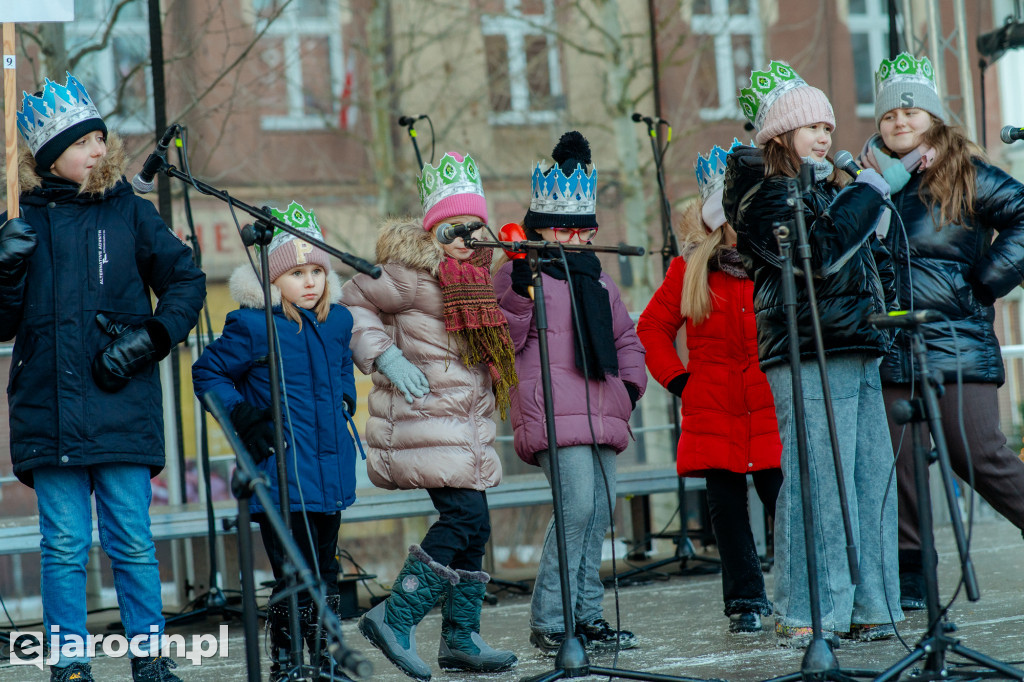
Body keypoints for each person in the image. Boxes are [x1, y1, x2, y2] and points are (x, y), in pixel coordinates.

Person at [0, 74, 205, 682]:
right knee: (63, 547)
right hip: (49, 411)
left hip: (121, 406)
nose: (97, 149)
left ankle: (150, 656)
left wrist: (153, 338)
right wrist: (4, 272)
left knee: (133, 542)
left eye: (99, 138)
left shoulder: (129, 213)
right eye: (82, 141)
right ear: (48, 155)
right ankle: (71, 663)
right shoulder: (16, 221)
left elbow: (186, 283)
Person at [722, 61, 903, 646]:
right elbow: (814, 254)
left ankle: (875, 606)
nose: (826, 136)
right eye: (811, 126)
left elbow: (855, 261)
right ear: (779, 134)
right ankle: (812, 608)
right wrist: (869, 196)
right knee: (821, 483)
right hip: (808, 350)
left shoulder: (826, 187)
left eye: (829, 125)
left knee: (871, 478)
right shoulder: (759, 191)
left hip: (858, 341)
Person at [341, 151, 518, 681]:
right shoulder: (412, 276)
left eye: (476, 227)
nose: (468, 237)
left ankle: (459, 640)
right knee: (461, 519)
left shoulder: (477, 284)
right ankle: (395, 618)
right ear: (433, 231)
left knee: (476, 527)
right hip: (426, 418)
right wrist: (383, 355)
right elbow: (351, 300)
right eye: (455, 228)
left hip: (465, 426)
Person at [860, 52, 1024, 610]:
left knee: (978, 456)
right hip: (887, 346)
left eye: (910, 110)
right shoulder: (867, 181)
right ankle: (913, 580)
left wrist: (988, 281)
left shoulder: (965, 172)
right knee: (898, 468)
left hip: (955, 340)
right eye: (888, 115)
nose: (899, 121)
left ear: (931, 116)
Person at [493, 131, 648, 656]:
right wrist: (518, 282)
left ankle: (587, 615)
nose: (575, 242)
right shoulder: (519, 274)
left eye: (583, 233)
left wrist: (628, 389)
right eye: (562, 231)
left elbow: (628, 339)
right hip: (553, 414)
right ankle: (552, 620)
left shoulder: (600, 281)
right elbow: (505, 338)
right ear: (540, 229)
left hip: (601, 408)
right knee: (578, 506)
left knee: (601, 511)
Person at [191, 202, 360, 681]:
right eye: (296, 274)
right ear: (271, 282)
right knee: (292, 574)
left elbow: (343, 368)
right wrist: (244, 416)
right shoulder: (252, 326)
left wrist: (345, 397)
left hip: (329, 470)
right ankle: (287, 660)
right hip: (281, 469)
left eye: (316, 272)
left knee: (325, 572)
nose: (309, 282)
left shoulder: (338, 323)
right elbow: (207, 372)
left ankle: (326, 659)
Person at [636, 143, 783, 635]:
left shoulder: (773, 261)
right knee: (726, 511)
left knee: (784, 500)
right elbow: (652, 329)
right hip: (713, 409)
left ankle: (801, 593)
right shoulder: (690, 268)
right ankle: (745, 601)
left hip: (769, 405)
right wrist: (679, 379)